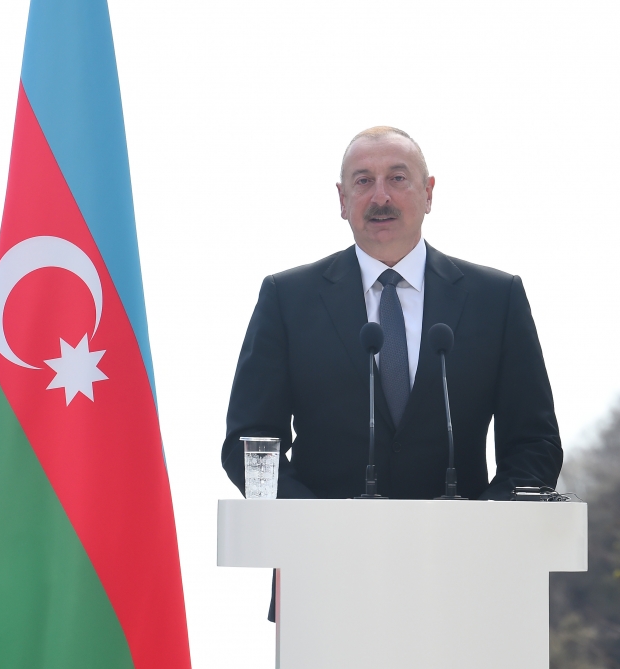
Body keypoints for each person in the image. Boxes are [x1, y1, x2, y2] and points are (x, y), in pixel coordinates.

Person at [222, 126, 563, 621]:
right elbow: (249, 443)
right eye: (363, 181)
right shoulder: (288, 298)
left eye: (397, 178)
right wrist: (319, 527)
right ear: (342, 200)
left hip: (465, 580)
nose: (380, 197)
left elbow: (535, 444)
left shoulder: (495, 298)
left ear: (429, 193)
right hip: (323, 580)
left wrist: (483, 526)